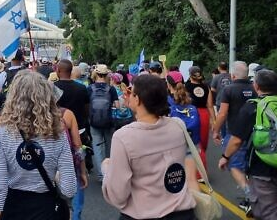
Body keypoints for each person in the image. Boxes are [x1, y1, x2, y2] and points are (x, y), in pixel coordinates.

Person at [102, 74, 197, 220]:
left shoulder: (123, 137)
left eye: (131, 92)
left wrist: (107, 169)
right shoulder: (178, 125)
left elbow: (118, 196)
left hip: (143, 213)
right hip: (183, 212)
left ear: (138, 99)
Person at [0, 70, 77, 220]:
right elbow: (69, 189)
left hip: (14, 209)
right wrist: (55, 178)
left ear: (13, 97)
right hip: (47, 209)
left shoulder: (2, 133)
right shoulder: (57, 132)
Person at [218, 69, 277, 219]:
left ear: (256, 86)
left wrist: (225, 156)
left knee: (267, 212)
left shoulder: (252, 107)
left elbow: (237, 140)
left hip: (262, 168)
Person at [212, 61, 257, 213]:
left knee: (235, 166)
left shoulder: (229, 89)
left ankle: (251, 198)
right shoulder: (255, 88)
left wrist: (216, 131)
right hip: (256, 135)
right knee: (250, 167)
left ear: (232, 75)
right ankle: (253, 196)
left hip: (236, 134)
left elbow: (222, 113)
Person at [54, 59, 91, 220]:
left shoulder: (52, 88)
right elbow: (87, 110)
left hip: (56, 133)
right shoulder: (82, 88)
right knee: (76, 172)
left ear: (58, 71)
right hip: (79, 130)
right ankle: (76, 214)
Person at [88, 64, 119, 181]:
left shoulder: (90, 88)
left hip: (94, 121)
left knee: (97, 147)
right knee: (109, 146)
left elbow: (87, 105)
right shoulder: (111, 89)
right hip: (108, 121)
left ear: (96, 74)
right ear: (107, 75)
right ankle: (109, 172)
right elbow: (117, 106)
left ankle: (101, 175)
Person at [184, 66, 215, 171]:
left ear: (190, 75)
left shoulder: (186, 86)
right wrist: (214, 120)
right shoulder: (206, 87)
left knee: (193, 143)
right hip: (204, 114)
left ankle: (195, 170)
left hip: (190, 114)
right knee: (203, 142)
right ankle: (201, 167)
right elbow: (210, 105)